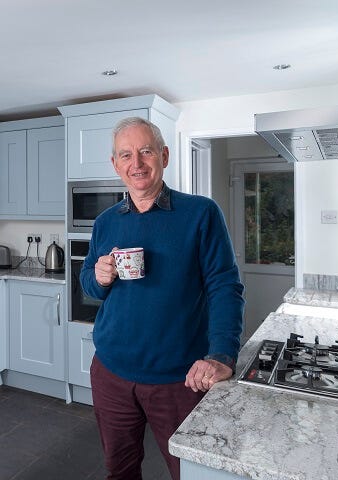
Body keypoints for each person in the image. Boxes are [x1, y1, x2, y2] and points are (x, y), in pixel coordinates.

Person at [80, 117, 245, 480]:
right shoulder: (106, 222)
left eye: (145, 151)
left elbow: (224, 287)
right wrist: (98, 277)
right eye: (125, 155)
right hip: (110, 372)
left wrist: (221, 355)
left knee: (190, 472)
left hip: (179, 379)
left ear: (164, 156)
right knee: (119, 469)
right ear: (115, 164)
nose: (135, 163)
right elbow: (89, 286)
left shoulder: (201, 213)